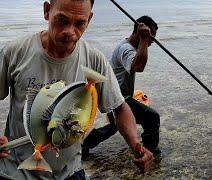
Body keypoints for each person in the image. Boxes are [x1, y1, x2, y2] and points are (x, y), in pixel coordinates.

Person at [0, 0, 152, 179]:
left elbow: (119, 107)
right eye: (62, 20)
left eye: (80, 23)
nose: (70, 32)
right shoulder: (16, 52)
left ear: (89, 19)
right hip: (16, 172)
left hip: (70, 172)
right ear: (47, 11)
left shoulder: (94, 60)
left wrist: (135, 144)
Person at [82, 16, 161, 157]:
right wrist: (144, 39)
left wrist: (144, 40)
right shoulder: (126, 49)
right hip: (118, 98)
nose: (152, 41)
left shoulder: (128, 47)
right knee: (152, 117)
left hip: (116, 96)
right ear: (139, 31)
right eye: (151, 36)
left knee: (115, 126)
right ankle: (149, 152)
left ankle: (84, 146)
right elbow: (138, 66)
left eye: (153, 37)